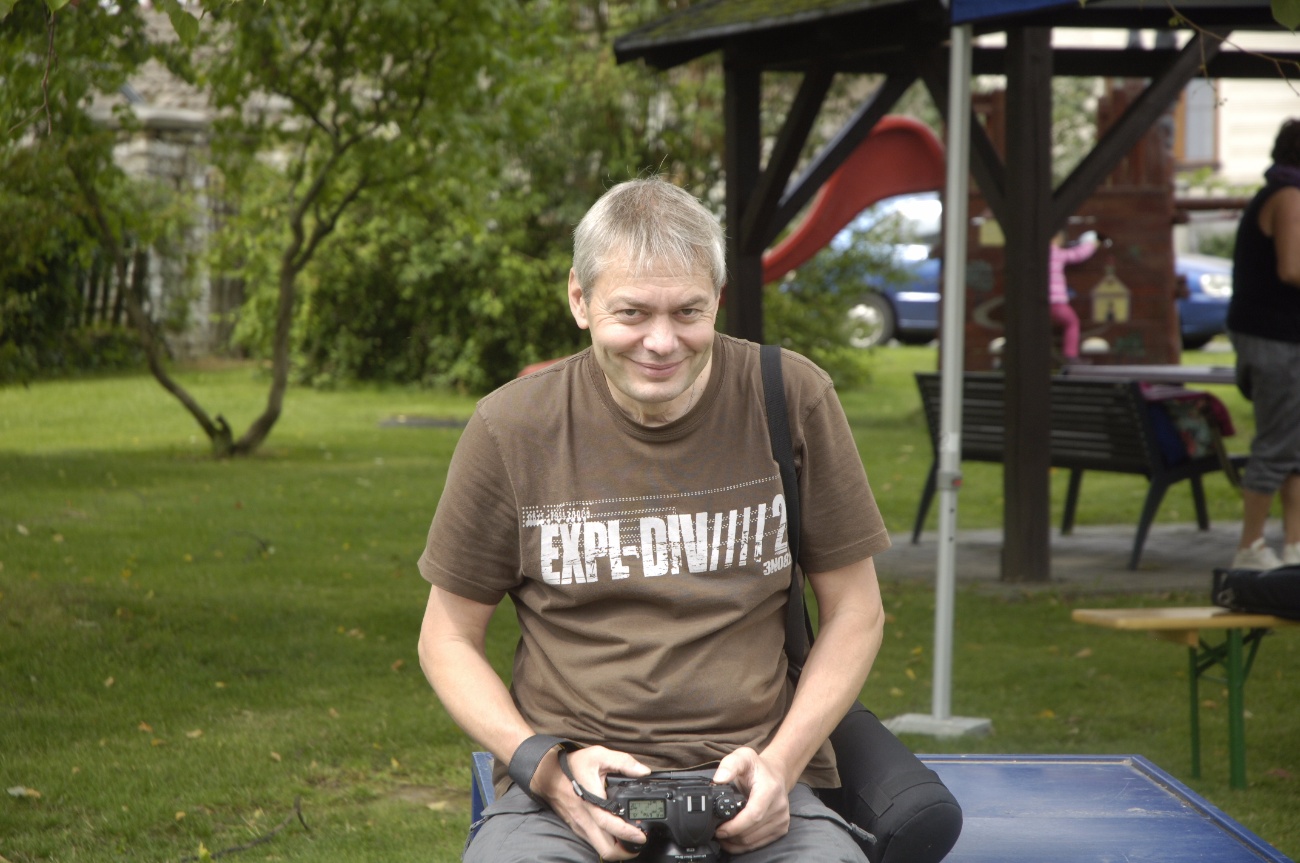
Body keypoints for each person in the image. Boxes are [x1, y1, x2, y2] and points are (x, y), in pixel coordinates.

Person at [417, 178, 892, 862]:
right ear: (579, 299)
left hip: (755, 780)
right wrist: (546, 771)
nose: (662, 342)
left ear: (718, 298)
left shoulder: (791, 397)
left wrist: (782, 764)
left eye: (688, 311)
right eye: (632, 312)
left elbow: (857, 610)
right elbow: (446, 637)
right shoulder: (512, 427)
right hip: (570, 787)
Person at [1228, 118, 1300, 571]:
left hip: (1276, 336)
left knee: (1294, 445)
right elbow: (1291, 268)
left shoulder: (1278, 191)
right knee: (1276, 444)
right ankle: (1249, 545)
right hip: (1277, 338)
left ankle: (1295, 544)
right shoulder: (1289, 197)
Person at [1048, 229, 1100, 362]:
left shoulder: (1037, 255)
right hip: (1056, 301)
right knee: (1072, 322)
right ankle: (1070, 355)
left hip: (1039, 302)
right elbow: (1077, 255)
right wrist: (1091, 245)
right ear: (1056, 238)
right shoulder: (1056, 253)